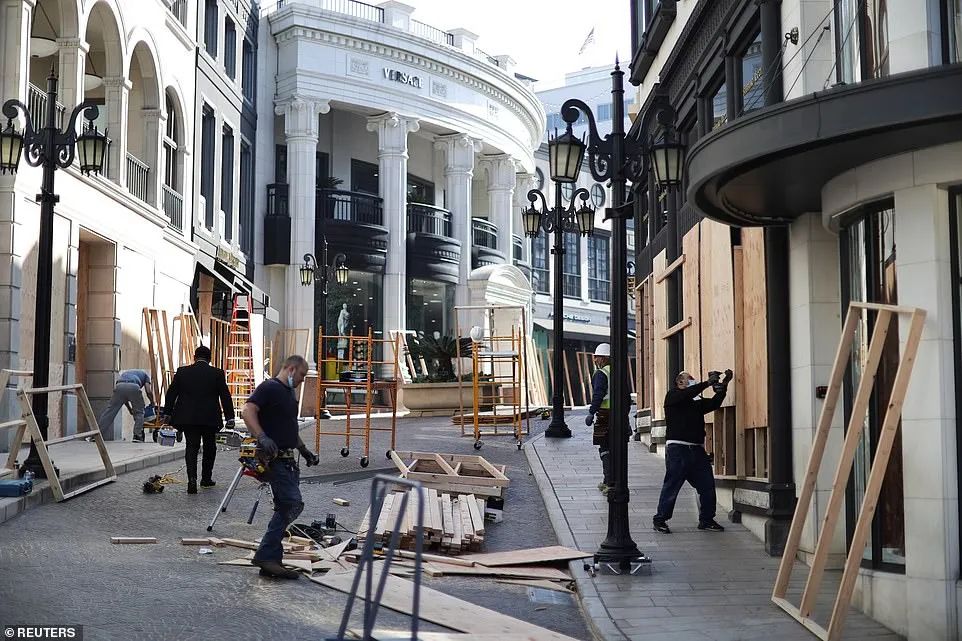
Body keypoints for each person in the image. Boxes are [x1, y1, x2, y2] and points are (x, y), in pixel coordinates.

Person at [242, 355, 320, 579]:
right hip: (273, 458)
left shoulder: (287, 394)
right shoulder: (269, 387)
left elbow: (289, 429)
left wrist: (304, 450)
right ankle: (267, 556)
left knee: (286, 505)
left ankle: (271, 559)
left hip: (287, 460)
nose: (302, 381)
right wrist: (262, 436)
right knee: (291, 503)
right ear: (292, 369)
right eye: (303, 375)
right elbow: (247, 411)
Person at [652, 369, 733, 534]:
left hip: (696, 449)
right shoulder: (673, 396)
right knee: (672, 485)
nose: (693, 380)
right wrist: (707, 383)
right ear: (679, 382)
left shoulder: (696, 401)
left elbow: (714, 403)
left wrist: (723, 385)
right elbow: (687, 394)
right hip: (678, 449)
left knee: (707, 485)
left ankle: (707, 519)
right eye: (689, 378)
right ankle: (660, 519)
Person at [162, 345, 235, 494]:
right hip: (210, 418)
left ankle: (192, 480)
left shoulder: (182, 372)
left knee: (191, 447)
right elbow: (225, 396)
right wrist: (230, 417)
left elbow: (171, 394)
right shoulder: (217, 373)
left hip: (188, 418)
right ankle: (206, 479)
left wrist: (167, 413)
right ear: (210, 359)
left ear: (194, 357)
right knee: (210, 447)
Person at [584, 343, 613, 495]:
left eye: (597, 358)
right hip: (619, 416)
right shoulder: (618, 372)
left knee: (605, 449)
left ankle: (608, 482)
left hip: (604, 415)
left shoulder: (601, 374)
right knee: (616, 449)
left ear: (603, 358)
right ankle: (612, 481)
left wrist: (591, 412)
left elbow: (598, 394)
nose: (595, 361)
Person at [98, 369, 152, 442]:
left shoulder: (126, 373)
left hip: (119, 386)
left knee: (109, 412)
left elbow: (124, 398)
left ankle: (97, 435)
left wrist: (130, 409)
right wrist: (153, 402)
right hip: (134, 386)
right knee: (139, 412)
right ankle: (137, 436)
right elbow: (148, 391)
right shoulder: (146, 375)